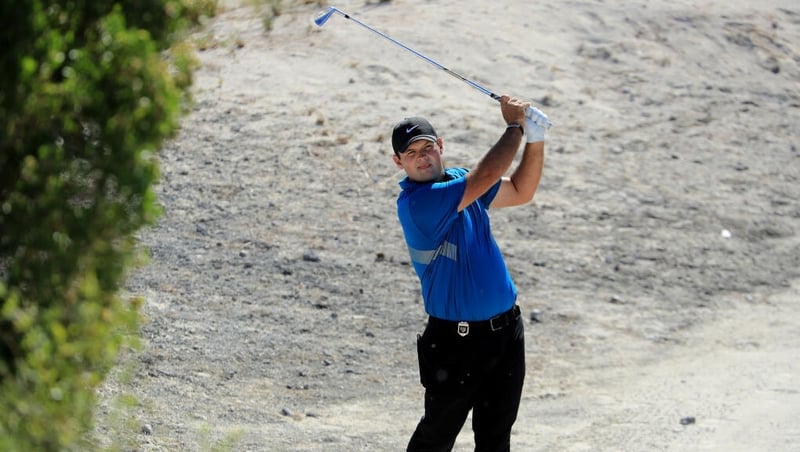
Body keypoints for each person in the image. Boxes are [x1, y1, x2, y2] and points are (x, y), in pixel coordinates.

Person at [391, 95, 548, 452]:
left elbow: (522, 191)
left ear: (440, 146)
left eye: (427, 147)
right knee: (436, 437)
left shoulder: (463, 180)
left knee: (496, 437)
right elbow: (489, 173)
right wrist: (514, 126)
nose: (422, 157)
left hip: (507, 334)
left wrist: (535, 140)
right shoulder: (419, 203)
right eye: (411, 153)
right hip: (456, 344)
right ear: (398, 162)